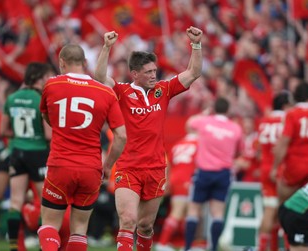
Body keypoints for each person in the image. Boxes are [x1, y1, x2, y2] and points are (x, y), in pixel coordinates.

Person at [94, 26, 203, 251]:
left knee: (144, 226)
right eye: (149, 72)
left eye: (155, 70)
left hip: (155, 168)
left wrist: (196, 45)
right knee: (128, 221)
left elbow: (193, 73)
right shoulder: (123, 91)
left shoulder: (163, 90)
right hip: (128, 167)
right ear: (135, 74)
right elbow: (100, 77)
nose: (154, 75)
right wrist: (106, 47)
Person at [37, 44, 127, 251]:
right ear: (85, 63)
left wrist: (61, 127)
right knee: (79, 230)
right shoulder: (106, 92)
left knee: (49, 225)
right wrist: (108, 166)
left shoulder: (51, 85)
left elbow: (46, 115)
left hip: (60, 165)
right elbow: (121, 136)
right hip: (91, 168)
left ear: (61, 63)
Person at [0, 62, 54, 251]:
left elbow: (3, 130)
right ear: (40, 78)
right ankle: (43, 246)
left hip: (17, 152)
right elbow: (49, 135)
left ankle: (14, 246)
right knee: (44, 202)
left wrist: (22, 136)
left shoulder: (12, 97)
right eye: (47, 76)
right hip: (38, 152)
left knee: (15, 201)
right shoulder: (41, 98)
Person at [184, 97, 243, 251]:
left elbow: (189, 123)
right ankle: (214, 247)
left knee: (194, 210)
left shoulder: (205, 122)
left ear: (214, 109)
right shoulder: (235, 128)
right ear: (228, 110)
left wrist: (205, 113)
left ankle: (188, 247)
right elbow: (239, 151)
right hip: (223, 173)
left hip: (204, 172)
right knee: (217, 212)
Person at [256, 91, 292, 251]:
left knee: (270, 211)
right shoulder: (287, 120)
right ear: (285, 105)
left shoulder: (264, 121)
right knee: (285, 210)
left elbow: (259, 149)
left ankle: (265, 247)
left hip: (265, 168)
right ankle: (286, 247)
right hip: (282, 169)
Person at [155, 127, 198, 251]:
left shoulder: (178, 144)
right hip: (190, 179)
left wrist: (167, 180)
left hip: (176, 179)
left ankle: (178, 243)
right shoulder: (199, 144)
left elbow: (168, 163)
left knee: (181, 212)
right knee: (188, 212)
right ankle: (166, 243)